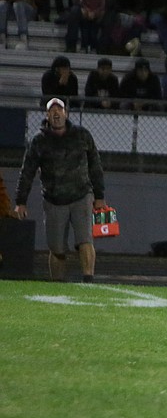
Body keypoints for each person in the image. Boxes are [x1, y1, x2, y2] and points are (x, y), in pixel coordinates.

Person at [13, 98, 107, 282]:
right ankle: (58, 285)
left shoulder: (82, 135)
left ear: (66, 113)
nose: (56, 113)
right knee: (57, 248)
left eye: (59, 109)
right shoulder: (39, 141)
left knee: (85, 240)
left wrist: (99, 196)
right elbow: (27, 171)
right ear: (47, 115)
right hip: (54, 199)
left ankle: (89, 280)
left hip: (81, 195)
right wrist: (20, 201)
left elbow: (95, 165)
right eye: (52, 110)